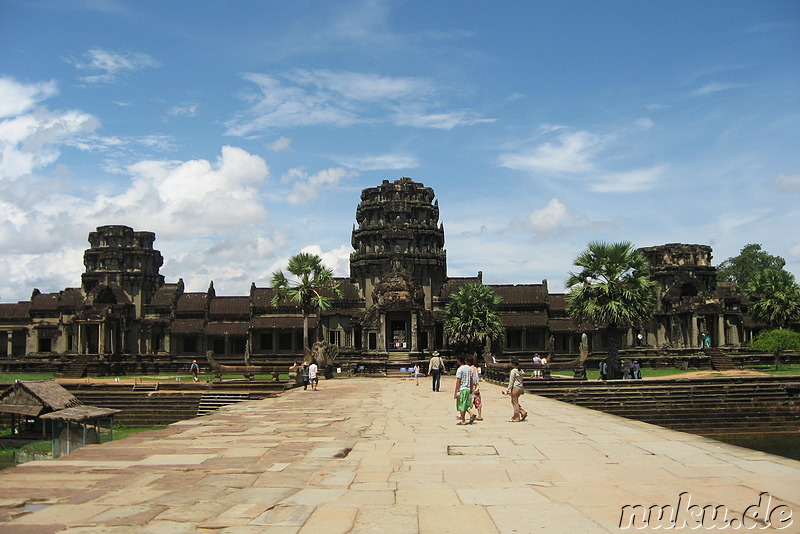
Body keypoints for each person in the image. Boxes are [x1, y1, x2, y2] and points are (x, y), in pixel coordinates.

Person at [453, 355, 476, 425]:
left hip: (462, 389)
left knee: (461, 404)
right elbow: (471, 379)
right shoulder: (469, 368)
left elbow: (458, 381)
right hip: (468, 388)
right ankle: (471, 414)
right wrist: (471, 388)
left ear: (459, 360)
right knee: (465, 404)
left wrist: (456, 391)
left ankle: (463, 420)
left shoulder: (460, 369)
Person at [468, 356, 483, 421]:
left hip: (471, 386)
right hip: (476, 386)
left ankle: (468, 414)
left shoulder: (469, 369)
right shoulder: (475, 368)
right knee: (478, 401)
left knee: (466, 401)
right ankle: (479, 415)